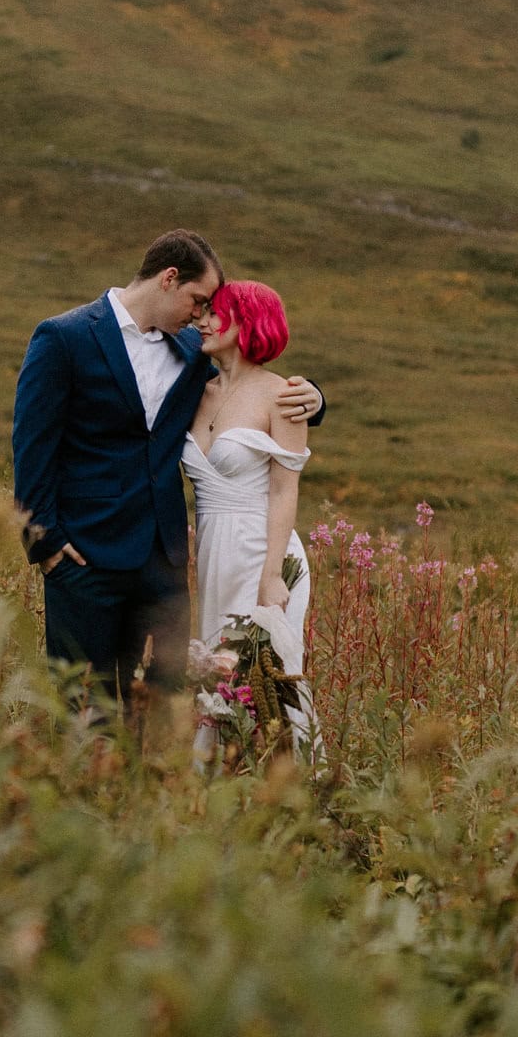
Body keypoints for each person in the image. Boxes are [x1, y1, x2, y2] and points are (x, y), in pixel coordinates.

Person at [13, 230, 323, 701]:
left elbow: (254, 384)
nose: (200, 316)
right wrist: (45, 543)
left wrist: (316, 399)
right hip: (84, 559)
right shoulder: (65, 336)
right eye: (198, 301)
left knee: (165, 704)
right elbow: (32, 444)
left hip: (164, 568)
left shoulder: (190, 354)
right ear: (169, 279)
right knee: (81, 701)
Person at [182, 279, 318, 754]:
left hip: (264, 552)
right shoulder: (197, 392)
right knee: (217, 680)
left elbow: (285, 490)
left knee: (263, 682)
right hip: (215, 550)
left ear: (247, 322)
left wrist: (271, 576)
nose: (202, 320)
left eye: (215, 313)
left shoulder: (284, 396)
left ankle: (283, 789)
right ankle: (216, 789)